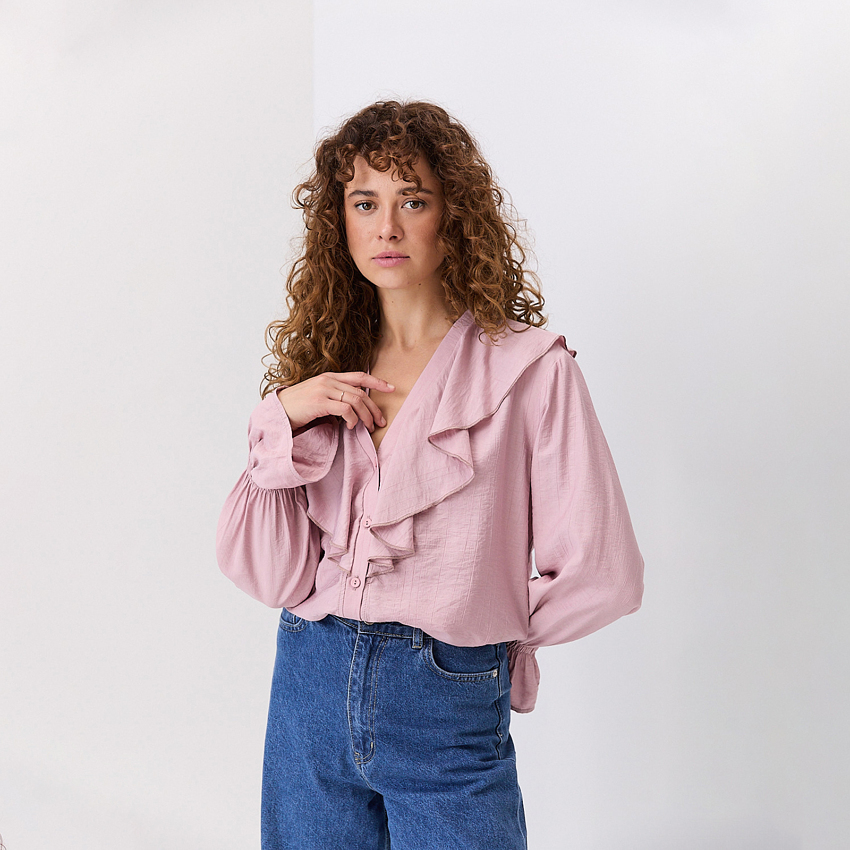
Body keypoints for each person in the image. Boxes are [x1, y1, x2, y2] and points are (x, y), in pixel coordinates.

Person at [215, 99, 644, 850]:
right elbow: (268, 572)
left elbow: (606, 574)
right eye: (364, 203)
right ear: (339, 222)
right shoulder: (324, 371)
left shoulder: (531, 372)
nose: (386, 227)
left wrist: (489, 634)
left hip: (448, 699)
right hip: (309, 682)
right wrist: (279, 418)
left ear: (454, 217)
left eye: (412, 201)